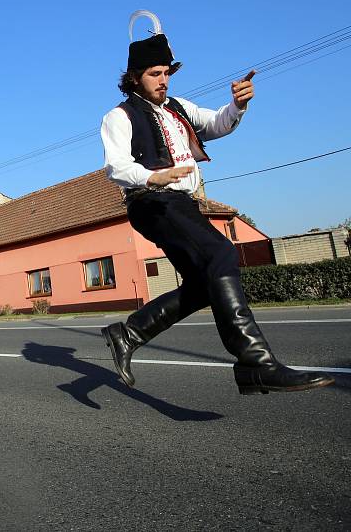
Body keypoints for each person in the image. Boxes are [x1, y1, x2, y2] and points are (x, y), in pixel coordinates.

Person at [99, 20, 334, 395]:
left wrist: (237, 105)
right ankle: (256, 362)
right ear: (135, 78)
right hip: (152, 203)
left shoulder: (179, 108)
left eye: (166, 73)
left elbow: (216, 123)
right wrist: (152, 177)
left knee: (204, 284)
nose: (163, 80)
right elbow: (115, 165)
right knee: (222, 252)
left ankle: (128, 333)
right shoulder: (119, 116)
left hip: (181, 205)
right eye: (154, 74)